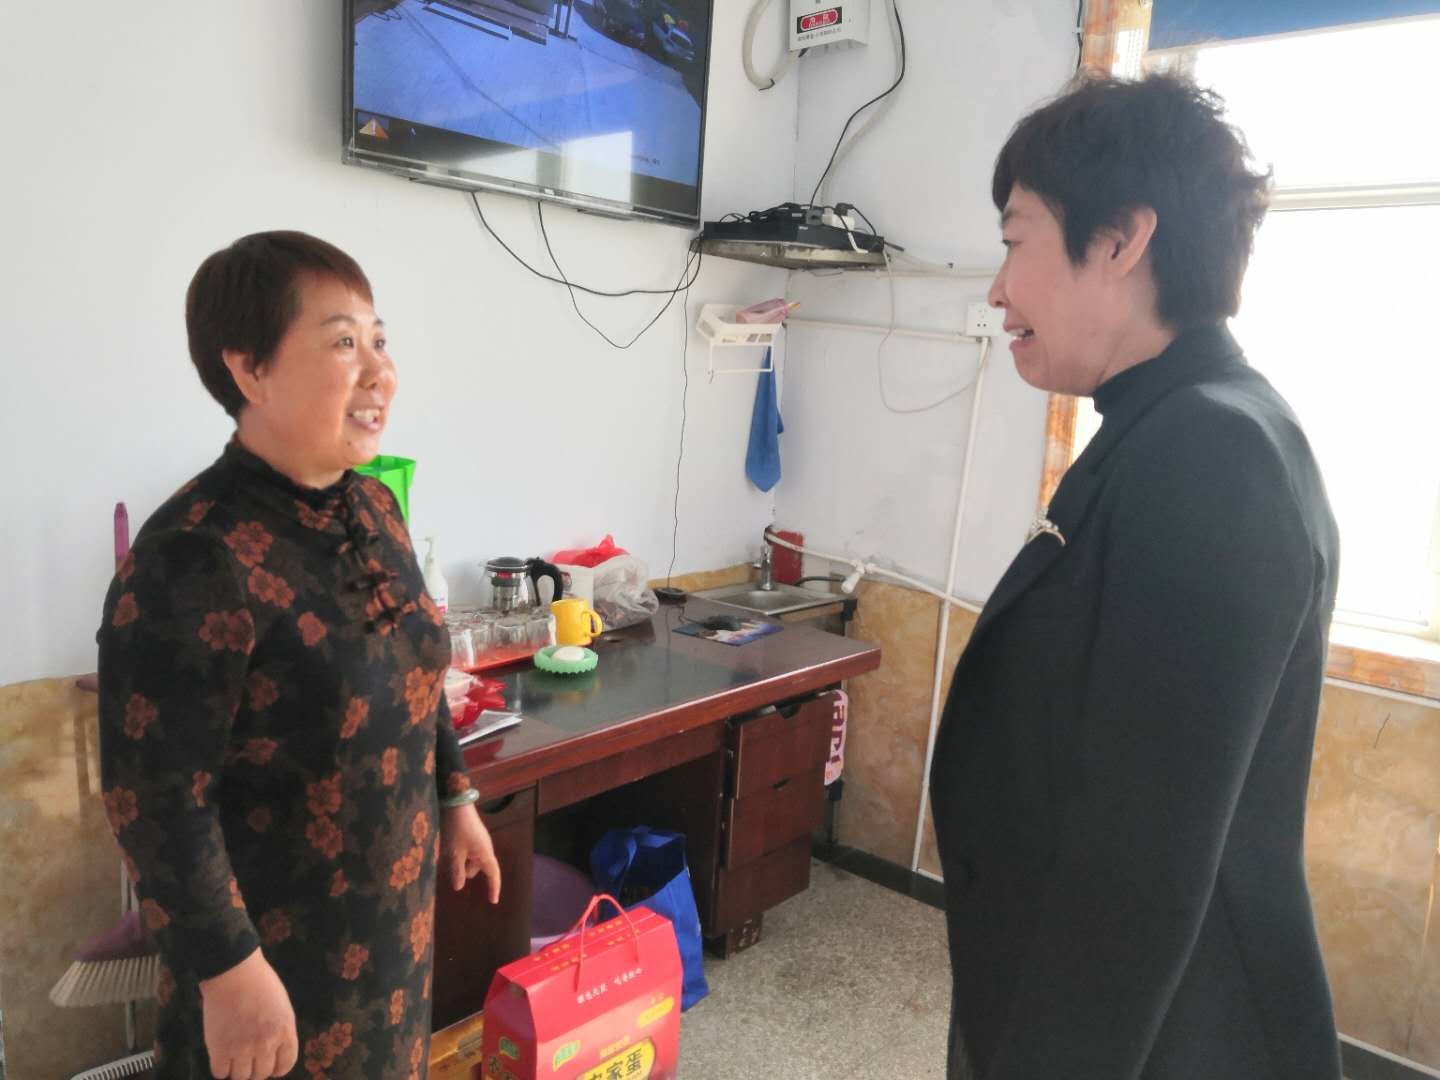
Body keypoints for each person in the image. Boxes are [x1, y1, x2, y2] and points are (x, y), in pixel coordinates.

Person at [930, 74, 1342, 1079]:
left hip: (1171, 1036)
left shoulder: (1213, 453)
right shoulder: (1170, 425)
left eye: (1015, 240)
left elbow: (1142, 867)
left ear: (1121, 239)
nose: (997, 289)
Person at [97, 231, 501, 1079]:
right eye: (344, 343)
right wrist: (228, 971)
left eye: (379, 340)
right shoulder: (193, 555)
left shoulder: (376, 509)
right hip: (271, 962)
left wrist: (456, 795)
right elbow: (155, 798)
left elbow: (414, 670)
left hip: (391, 934)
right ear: (250, 370)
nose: (381, 372)